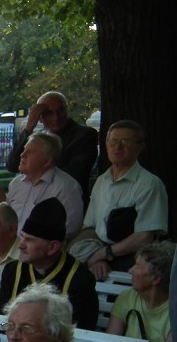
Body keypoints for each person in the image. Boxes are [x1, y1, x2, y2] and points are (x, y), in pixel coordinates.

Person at [72, 120, 168, 280]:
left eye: (125, 142)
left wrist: (105, 253)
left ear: (140, 147)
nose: (117, 147)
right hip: (98, 260)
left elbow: (145, 237)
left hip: (133, 264)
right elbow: (88, 227)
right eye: (113, 141)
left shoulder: (150, 184)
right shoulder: (101, 181)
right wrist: (95, 258)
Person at [0, 198, 98, 329]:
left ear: (52, 247)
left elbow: (82, 333)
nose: (20, 245)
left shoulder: (80, 279)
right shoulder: (12, 271)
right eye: (22, 237)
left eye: (29, 240)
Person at [6, 90, 98, 194]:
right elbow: (13, 165)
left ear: (66, 111)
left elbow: (75, 174)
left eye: (60, 111)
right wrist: (28, 128)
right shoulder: (38, 139)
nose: (56, 117)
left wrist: (35, 171)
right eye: (49, 113)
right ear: (40, 117)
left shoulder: (85, 135)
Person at [6, 130, 83, 240]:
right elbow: (7, 218)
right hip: (11, 250)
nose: (22, 155)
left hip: (43, 254)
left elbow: (71, 228)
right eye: (24, 150)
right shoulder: (16, 184)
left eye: (30, 152)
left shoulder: (67, 187)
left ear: (47, 161)